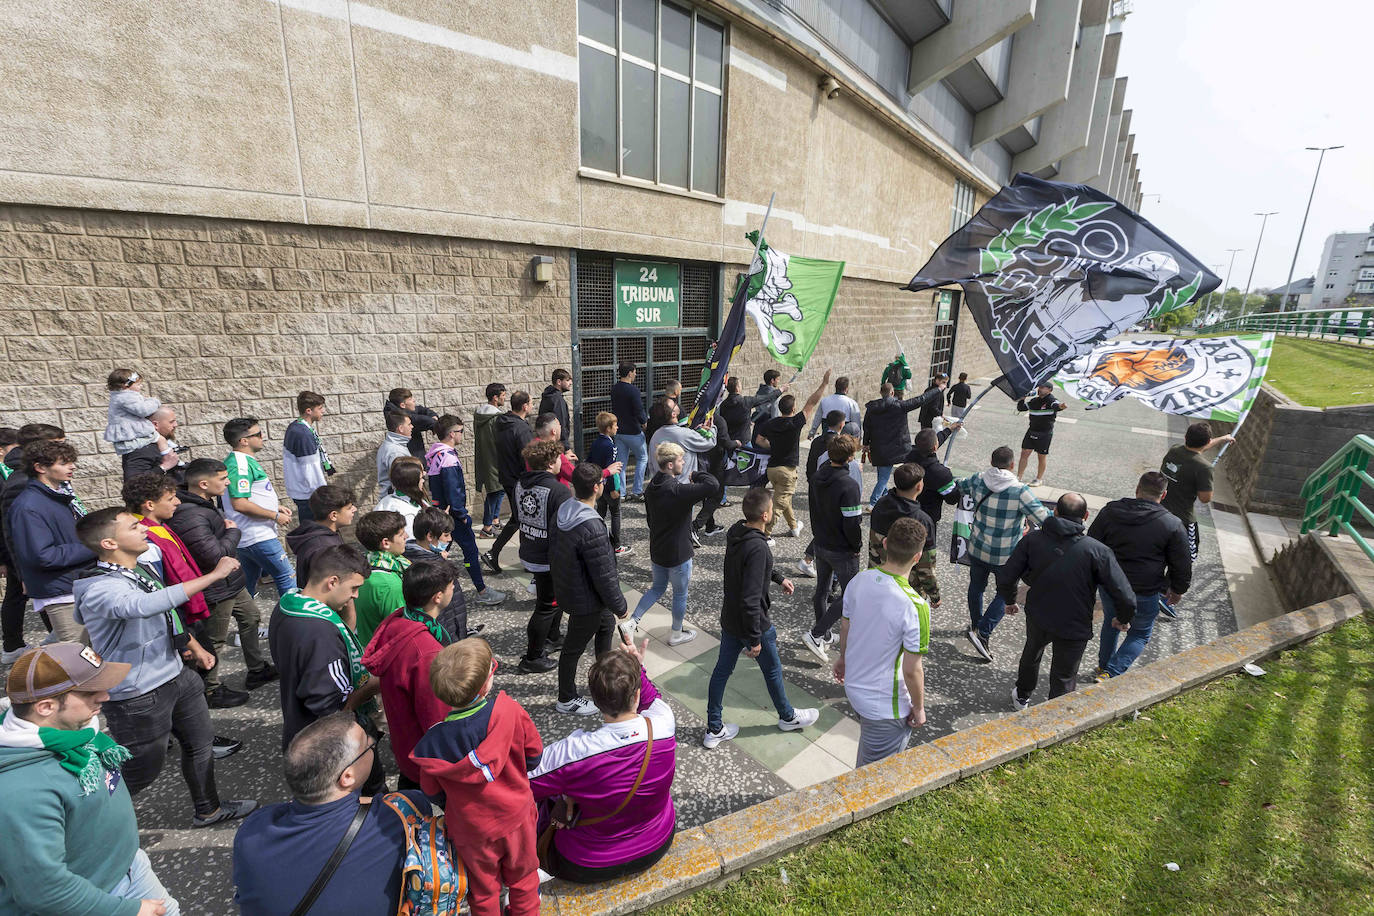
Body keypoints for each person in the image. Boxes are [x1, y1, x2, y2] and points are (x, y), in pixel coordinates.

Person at [71, 507, 256, 827]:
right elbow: (142, 606)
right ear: (109, 544)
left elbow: (166, 612)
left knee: (200, 746)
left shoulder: (140, 568)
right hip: (137, 694)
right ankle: (82, 820)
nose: (144, 529)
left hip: (177, 677)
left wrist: (192, 646)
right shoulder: (99, 587)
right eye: (133, 527)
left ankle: (208, 810)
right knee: (142, 769)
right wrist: (213, 575)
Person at [0, 643, 181, 915]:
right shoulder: (20, 792)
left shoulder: (75, 731)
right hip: (96, 899)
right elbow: (44, 891)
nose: (105, 696)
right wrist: (125, 910)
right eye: (90, 692)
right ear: (46, 706)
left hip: (128, 866)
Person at [232, 712, 432, 916]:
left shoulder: (251, 831)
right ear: (347, 776)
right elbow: (422, 805)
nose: (373, 741)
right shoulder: (397, 815)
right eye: (368, 745)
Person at [411, 638, 544, 916]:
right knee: (523, 878)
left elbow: (432, 792)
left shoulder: (432, 742)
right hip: (516, 817)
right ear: (486, 683)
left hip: (470, 828)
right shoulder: (510, 712)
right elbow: (534, 757)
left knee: (482, 891)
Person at [530, 639, 677, 883]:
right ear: (637, 694)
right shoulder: (663, 722)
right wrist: (637, 668)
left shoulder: (572, 752)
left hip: (587, 863)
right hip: (658, 842)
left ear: (596, 702)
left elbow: (520, 783)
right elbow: (652, 698)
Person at [703, 488, 820, 749]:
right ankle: (788, 716)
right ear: (766, 515)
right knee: (772, 670)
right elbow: (751, 598)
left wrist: (778, 578)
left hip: (730, 618)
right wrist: (754, 638)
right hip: (752, 623)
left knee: (722, 672)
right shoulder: (758, 547)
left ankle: (714, 728)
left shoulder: (738, 533)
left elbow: (752, 570)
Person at [268, 544, 382, 794]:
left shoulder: (289, 603)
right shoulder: (320, 633)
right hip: (332, 747)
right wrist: (370, 688)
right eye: (354, 588)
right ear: (332, 581)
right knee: (368, 798)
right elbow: (329, 709)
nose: (355, 596)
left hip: (297, 727)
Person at [1001, 493, 1135, 707]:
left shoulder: (1032, 539)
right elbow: (1124, 594)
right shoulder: (1097, 550)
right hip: (1076, 621)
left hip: (1039, 612)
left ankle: (1023, 694)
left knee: (1032, 652)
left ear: (1055, 512)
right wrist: (1123, 618)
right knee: (1064, 674)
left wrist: (1010, 600)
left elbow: (1007, 576)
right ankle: (1055, 716)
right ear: (1086, 515)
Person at [121, 473, 231, 704]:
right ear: (150, 505)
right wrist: (185, 638)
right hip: (177, 616)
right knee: (189, 674)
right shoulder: (145, 543)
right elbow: (158, 591)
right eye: (171, 498)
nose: (178, 502)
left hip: (184, 609)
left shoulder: (159, 527)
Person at [169, 459, 276, 697]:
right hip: (216, 588)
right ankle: (210, 689)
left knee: (251, 618)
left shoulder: (204, 505)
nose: (228, 483)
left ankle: (257, 670)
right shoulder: (190, 515)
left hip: (232, 584)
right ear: (204, 484)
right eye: (223, 479)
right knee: (214, 638)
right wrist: (233, 531)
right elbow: (213, 556)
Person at [833, 517, 930, 766]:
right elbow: (912, 669)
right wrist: (919, 708)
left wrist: (842, 659)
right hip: (887, 706)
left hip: (855, 687)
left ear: (885, 543)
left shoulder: (859, 580)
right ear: (917, 557)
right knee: (873, 777)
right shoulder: (916, 606)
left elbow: (846, 626)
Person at [361, 561, 455, 789]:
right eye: (453, 586)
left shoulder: (401, 619)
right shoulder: (427, 653)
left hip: (405, 742)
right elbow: (436, 717)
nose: (455, 590)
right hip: (425, 756)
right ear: (438, 597)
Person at [1091, 472, 1193, 679]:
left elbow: (1092, 544)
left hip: (1111, 585)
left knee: (1111, 621)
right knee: (1139, 633)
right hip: (1145, 589)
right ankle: (1111, 672)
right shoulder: (1172, 524)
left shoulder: (1111, 511)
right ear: (1163, 495)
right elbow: (1181, 562)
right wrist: (1178, 589)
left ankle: (1103, 666)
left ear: (1137, 489)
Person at [956, 446, 1050, 662]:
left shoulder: (978, 479)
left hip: (977, 548)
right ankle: (983, 631)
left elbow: (959, 485)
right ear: (1012, 465)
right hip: (1006, 556)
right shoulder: (1020, 491)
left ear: (991, 461)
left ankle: (975, 624)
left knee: (976, 587)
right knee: (1006, 593)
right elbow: (1043, 518)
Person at [550, 463, 629, 715]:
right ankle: (567, 698)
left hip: (572, 588)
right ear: (597, 488)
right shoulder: (592, 526)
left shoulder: (564, 509)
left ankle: (605, 686)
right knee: (573, 647)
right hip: (586, 599)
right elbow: (604, 575)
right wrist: (622, 609)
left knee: (605, 627)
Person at [628, 442, 716, 646]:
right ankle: (676, 633)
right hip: (679, 554)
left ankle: (633, 622)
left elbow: (650, 521)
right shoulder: (678, 490)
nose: (683, 462)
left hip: (658, 549)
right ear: (669, 464)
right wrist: (698, 475)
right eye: (680, 460)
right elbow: (713, 485)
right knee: (680, 593)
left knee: (657, 588)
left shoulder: (652, 487)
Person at [8, 439, 95, 644]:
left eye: (71, 461)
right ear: (40, 467)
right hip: (61, 593)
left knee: (82, 653)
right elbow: (43, 556)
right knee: (78, 658)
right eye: (63, 462)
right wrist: (94, 546)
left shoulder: (54, 496)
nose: (72, 466)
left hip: (73, 585)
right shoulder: (29, 506)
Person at [0, 423, 66, 661]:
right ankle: (18, 647)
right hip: (33, 561)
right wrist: (20, 570)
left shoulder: (45, 476)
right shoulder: (20, 483)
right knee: (30, 598)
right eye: (59, 445)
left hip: (49, 560)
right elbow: (10, 530)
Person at [426, 413, 506, 605]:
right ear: (452, 434)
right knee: (469, 553)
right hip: (453, 516)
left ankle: (428, 587)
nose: (463, 435)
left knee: (439, 552)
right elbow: (453, 490)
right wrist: (462, 515)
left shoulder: (436, 453)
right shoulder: (448, 458)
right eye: (461, 431)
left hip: (443, 513)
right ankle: (482, 590)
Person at [802, 433, 864, 664]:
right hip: (842, 548)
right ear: (850, 457)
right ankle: (817, 633)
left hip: (821, 542)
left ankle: (824, 634)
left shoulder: (817, 477)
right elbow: (852, 523)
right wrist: (856, 546)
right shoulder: (849, 485)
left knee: (822, 590)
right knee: (849, 595)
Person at [516, 438, 572, 674]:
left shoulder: (520, 483)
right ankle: (533, 656)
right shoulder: (559, 490)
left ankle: (553, 635)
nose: (563, 461)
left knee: (556, 598)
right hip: (548, 558)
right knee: (546, 605)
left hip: (529, 548)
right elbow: (566, 529)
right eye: (560, 458)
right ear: (551, 463)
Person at [222, 417, 295, 599]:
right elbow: (239, 503)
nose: (263, 437)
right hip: (256, 536)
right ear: (244, 441)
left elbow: (249, 494)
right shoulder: (239, 464)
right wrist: (274, 515)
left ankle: (249, 624)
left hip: (250, 535)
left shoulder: (244, 461)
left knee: (248, 585)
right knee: (287, 577)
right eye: (259, 434)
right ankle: (294, 621)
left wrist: (276, 506)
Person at [760, 370, 831, 539]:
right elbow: (812, 402)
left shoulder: (771, 424)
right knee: (779, 503)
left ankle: (793, 526)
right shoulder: (795, 422)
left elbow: (759, 439)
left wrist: (771, 446)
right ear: (793, 408)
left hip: (772, 469)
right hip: (787, 470)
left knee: (785, 498)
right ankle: (764, 534)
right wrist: (824, 384)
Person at [1160, 420, 1235, 576]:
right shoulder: (1204, 468)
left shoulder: (1174, 451)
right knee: (1186, 555)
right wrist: (1206, 479)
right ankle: (1168, 587)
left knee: (1159, 550)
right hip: (1183, 519)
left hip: (1160, 510)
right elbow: (1205, 498)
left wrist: (1223, 439)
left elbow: (1195, 451)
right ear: (1207, 441)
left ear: (1186, 436)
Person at [869, 463, 939, 608]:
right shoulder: (923, 520)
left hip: (877, 578)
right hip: (907, 589)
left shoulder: (881, 505)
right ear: (919, 486)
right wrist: (934, 595)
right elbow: (926, 565)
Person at [861, 382, 943, 507]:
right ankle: (873, 502)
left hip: (878, 448)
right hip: (897, 448)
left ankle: (883, 495)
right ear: (892, 393)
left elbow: (866, 427)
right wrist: (938, 390)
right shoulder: (900, 406)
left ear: (881, 393)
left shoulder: (872, 408)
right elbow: (921, 399)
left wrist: (866, 443)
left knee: (882, 476)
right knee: (883, 479)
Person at [405, 506, 479, 641]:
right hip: (444, 634)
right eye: (446, 535)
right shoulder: (425, 568)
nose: (450, 539)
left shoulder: (431, 557)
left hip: (452, 627)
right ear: (430, 536)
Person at [481, 389, 533, 573]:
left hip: (507, 477)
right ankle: (493, 553)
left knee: (522, 519)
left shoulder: (502, 423)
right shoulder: (521, 428)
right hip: (519, 480)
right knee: (520, 519)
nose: (532, 405)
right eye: (531, 402)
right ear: (525, 406)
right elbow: (529, 458)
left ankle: (527, 558)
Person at [353, 510, 411, 647]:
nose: (407, 536)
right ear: (385, 543)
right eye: (402, 535)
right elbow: (402, 631)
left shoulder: (364, 566)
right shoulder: (389, 584)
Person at [285, 484, 356, 593]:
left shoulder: (320, 535)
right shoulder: (324, 548)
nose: (354, 510)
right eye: (349, 508)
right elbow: (328, 589)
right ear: (333, 515)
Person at [282, 390, 335, 523]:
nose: (323, 411)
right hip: (308, 494)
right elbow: (310, 470)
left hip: (301, 491)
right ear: (308, 411)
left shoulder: (296, 427)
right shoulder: (303, 434)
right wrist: (322, 495)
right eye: (320, 408)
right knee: (313, 530)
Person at [906, 428, 960, 549]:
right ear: (935, 447)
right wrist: (957, 485)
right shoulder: (941, 473)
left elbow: (927, 443)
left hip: (905, 512)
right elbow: (952, 498)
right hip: (927, 520)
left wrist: (949, 430)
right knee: (924, 554)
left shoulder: (909, 454)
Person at [587, 411, 628, 556]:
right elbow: (613, 469)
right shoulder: (611, 446)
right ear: (609, 428)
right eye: (615, 425)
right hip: (608, 485)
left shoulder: (595, 442)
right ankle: (616, 545)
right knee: (615, 513)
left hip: (599, 485)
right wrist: (615, 488)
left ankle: (595, 538)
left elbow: (589, 462)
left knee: (600, 512)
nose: (617, 427)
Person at [1016, 381, 1068, 485]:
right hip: (1031, 430)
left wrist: (1061, 406)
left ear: (1050, 390)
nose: (1040, 389)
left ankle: (1038, 479)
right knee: (1024, 454)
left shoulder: (1051, 400)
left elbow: (1056, 406)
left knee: (1041, 456)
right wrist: (1022, 398)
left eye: (1043, 388)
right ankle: (1018, 477)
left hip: (1045, 433)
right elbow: (1021, 408)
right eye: (1039, 387)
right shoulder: (1034, 401)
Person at [474, 382, 508, 538]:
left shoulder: (479, 414)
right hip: (495, 459)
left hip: (485, 457)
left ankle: (494, 520)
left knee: (499, 490)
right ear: (495, 397)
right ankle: (486, 528)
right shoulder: (496, 417)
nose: (504, 398)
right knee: (494, 492)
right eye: (503, 396)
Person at [610, 363, 649, 499]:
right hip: (633, 431)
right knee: (643, 458)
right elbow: (638, 410)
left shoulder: (614, 389)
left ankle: (621, 492)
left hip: (618, 431)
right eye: (634, 372)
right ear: (629, 373)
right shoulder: (633, 390)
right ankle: (637, 490)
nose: (635, 374)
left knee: (621, 463)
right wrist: (644, 424)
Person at [120, 407, 187, 485]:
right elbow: (132, 482)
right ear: (155, 424)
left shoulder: (159, 443)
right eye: (171, 422)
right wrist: (164, 466)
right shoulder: (141, 448)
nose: (175, 425)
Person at [103, 368, 161, 457]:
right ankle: (170, 455)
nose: (141, 386)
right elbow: (143, 410)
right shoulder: (126, 397)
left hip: (130, 434)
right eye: (138, 384)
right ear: (126, 385)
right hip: (132, 436)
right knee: (159, 439)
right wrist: (154, 401)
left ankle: (169, 452)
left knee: (158, 438)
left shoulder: (119, 396)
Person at [718, 375, 782, 448]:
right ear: (737, 388)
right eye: (740, 385)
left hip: (730, 442)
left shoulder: (723, 404)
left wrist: (747, 421)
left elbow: (729, 420)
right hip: (744, 442)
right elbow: (766, 398)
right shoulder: (745, 401)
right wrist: (780, 390)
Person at [375, 457, 430, 537]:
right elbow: (411, 543)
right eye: (421, 478)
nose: (423, 480)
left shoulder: (387, 500)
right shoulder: (406, 513)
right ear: (412, 482)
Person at [383, 387, 438, 459]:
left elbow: (424, 410)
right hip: (412, 457)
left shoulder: (406, 409)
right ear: (402, 405)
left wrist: (433, 416)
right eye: (410, 399)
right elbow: (422, 420)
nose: (414, 400)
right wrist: (434, 422)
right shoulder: (399, 417)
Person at [533, 412, 576, 486]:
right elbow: (573, 475)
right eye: (559, 425)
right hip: (557, 491)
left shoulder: (532, 446)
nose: (560, 427)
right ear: (554, 431)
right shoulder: (552, 450)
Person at [376, 411, 413, 494]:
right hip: (399, 499)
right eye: (409, 424)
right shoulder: (395, 452)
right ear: (401, 428)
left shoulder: (392, 445)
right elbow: (402, 481)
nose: (412, 426)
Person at [539, 368, 574, 452]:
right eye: (568, 380)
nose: (570, 383)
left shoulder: (549, 396)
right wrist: (566, 448)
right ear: (559, 382)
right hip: (557, 444)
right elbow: (561, 423)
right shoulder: (557, 399)